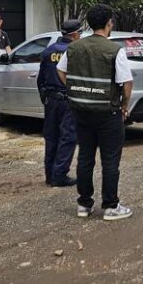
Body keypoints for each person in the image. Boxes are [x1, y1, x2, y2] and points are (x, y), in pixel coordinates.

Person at [56, 4, 134, 221]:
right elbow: (126, 82)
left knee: (85, 158)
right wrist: (125, 105)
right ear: (109, 23)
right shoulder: (114, 50)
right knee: (110, 160)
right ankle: (110, 206)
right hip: (107, 113)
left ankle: (84, 204)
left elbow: (60, 71)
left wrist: (74, 89)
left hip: (81, 110)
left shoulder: (74, 47)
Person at [38, 19, 82, 187]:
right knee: (68, 137)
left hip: (51, 100)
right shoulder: (75, 51)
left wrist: (45, 97)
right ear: (75, 34)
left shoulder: (49, 51)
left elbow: (40, 79)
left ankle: (50, 175)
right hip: (67, 100)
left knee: (51, 137)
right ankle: (59, 176)